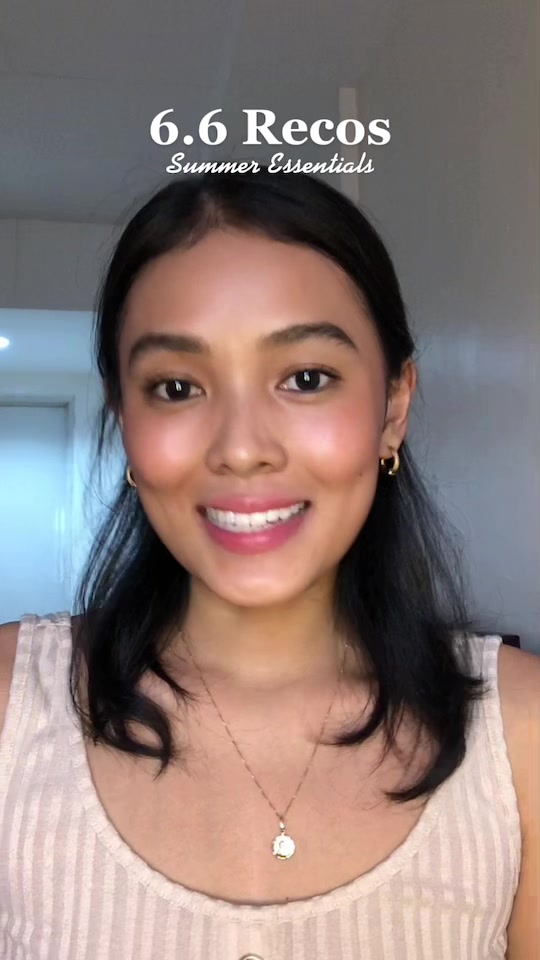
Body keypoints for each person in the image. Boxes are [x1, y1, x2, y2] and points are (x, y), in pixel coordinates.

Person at [0, 168, 538, 959]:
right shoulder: (12, 706)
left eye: (306, 379)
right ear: (125, 421)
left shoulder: (522, 732)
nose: (242, 448)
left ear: (393, 407)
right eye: (176, 387)